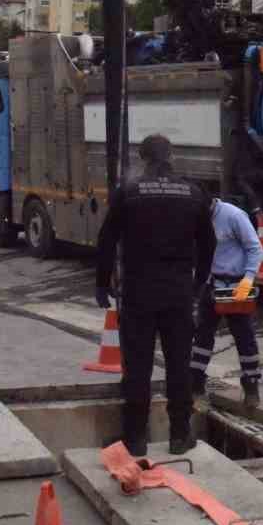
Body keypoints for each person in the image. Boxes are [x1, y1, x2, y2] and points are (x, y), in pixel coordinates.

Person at [96, 134, 215, 457]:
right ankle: (180, 434)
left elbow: (106, 239)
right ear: (171, 156)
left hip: (139, 291)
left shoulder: (130, 192)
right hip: (178, 292)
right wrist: (198, 284)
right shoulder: (193, 193)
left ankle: (136, 437)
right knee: (178, 364)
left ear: (143, 158)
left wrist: (101, 282)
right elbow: (208, 244)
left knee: (138, 366)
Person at [191, 196, 263, 408]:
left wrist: (249, 278)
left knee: (244, 336)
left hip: (236, 284)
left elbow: (254, 247)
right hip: (212, 283)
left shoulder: (233, 216)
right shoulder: (200, 218)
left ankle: (251, 385)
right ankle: (195, 382)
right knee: (202, 335)